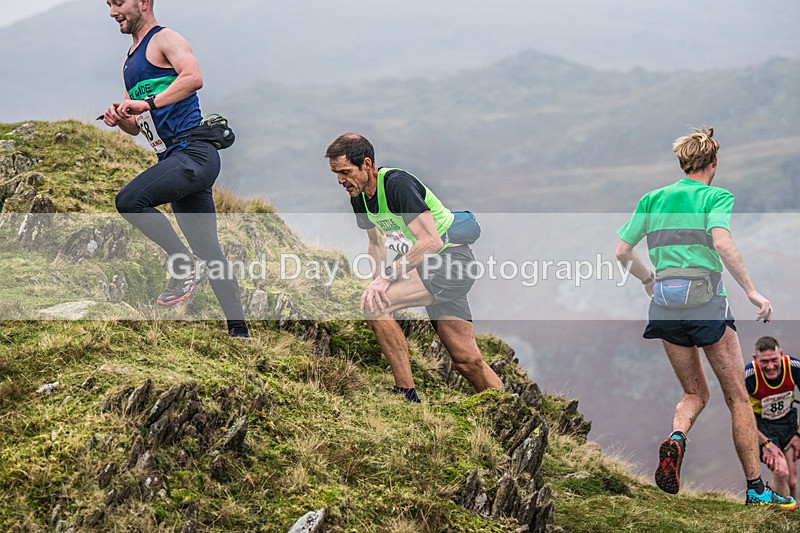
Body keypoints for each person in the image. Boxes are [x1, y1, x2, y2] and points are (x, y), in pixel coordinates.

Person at [615, 127, 794, 508]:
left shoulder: (653, 198)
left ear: (682, 163)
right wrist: (750, 291)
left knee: (693, 393)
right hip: (707, 303)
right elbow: (722, 241)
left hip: (664, 304)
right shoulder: (715, 196)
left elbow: (622, 251)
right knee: (738, 400)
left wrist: (648, 279)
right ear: (714, 162)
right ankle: (756, 490)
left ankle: (676, 439)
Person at [100, 0, 248, 337]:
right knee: (210, 250)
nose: (112, 12)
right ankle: (240, 332)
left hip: (194, 153)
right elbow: (138, 125)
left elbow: (194, 78)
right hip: (171, 158)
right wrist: (121, 119)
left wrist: (147, 103)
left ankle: (183, 264)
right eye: (108, 4)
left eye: (119, 2)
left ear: (144, 2)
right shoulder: (129, 62)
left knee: (128, 201)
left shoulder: (166, 39)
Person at [325, 133, 503, 402]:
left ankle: (406, 394)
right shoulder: (359, 196)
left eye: (345, 172)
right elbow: (376, 243)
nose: (340, 180)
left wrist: (386, 280)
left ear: (366, 164)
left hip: (451, 263)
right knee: (467, 361)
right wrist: (376, 283)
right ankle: (506, 407)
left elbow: (430, 241)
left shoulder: (397, 185)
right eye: (336, 173)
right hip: (426, 267)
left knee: (376, 307)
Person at [746, 336, 800, 499]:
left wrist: (798, 435)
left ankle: (793, 515)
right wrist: (765, 443)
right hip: (762, 427)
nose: (770, 366)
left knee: (792, 481)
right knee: (781, 471)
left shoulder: (793, 367)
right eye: (764, 362)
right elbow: (741, 417)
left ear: (781, 355)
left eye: (774, 360)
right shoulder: (749, 376)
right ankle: (777, 515)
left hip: (787, 422)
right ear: (755, 359)